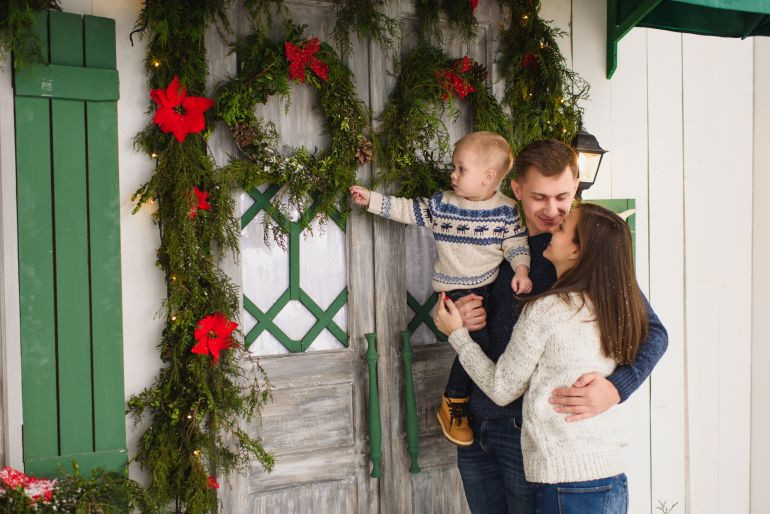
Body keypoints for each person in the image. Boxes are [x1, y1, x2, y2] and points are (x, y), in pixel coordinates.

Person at [444, 139, 668, 513]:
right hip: (476, 423)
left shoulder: (582, 253)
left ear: (576, 186)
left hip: (530, 436)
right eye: (539, 197)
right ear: (517, 189)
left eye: (562, 197)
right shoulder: (492, 240)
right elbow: (460, 302)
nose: (552, 210)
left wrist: (616, 388)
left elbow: (654, 333)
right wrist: (462, 316)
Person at [350, 131, 532, 446]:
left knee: (491, 343)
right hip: (456, 291)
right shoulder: (443, 205)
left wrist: (522, 269)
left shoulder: (506, 210)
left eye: (462, 169)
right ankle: (453, 400)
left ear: (488, 177)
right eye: (454, 167)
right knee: (476, 341)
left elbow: (516, 244)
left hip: (490, 288)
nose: (453, 175)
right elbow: (407, 210)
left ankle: (473, 401)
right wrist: (372, 200)